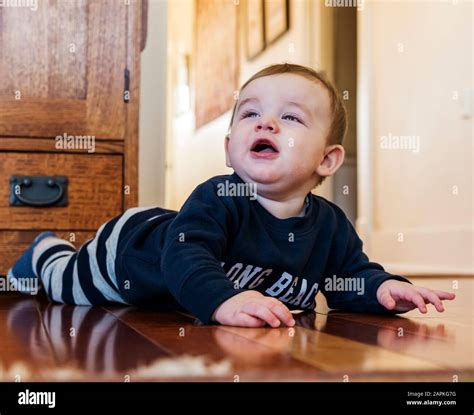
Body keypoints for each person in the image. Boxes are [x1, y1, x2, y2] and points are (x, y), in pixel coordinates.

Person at [8, 63, 455, 328]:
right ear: (229, 148)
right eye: (251, 113)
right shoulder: (222, 196)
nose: (266, 124)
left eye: (292, 118)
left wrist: (383, 289)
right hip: (127, 256)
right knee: (65, 288)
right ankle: (47, 250)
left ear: (328, 160)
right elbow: (187, 259)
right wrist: (223, 300)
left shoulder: (330, 225)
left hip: (166, 237)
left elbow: (347, 278)